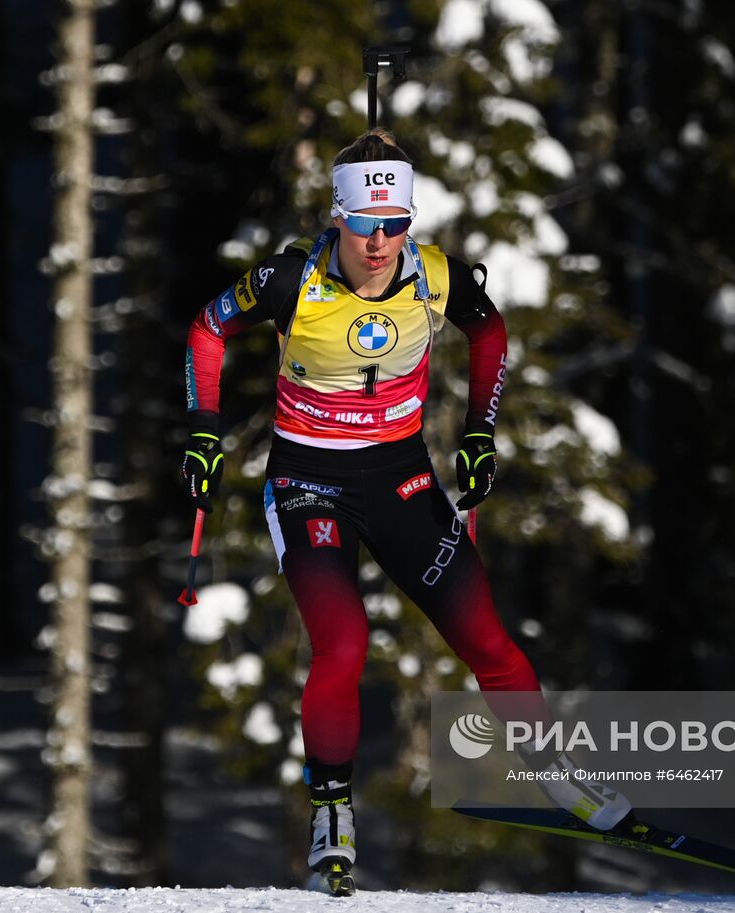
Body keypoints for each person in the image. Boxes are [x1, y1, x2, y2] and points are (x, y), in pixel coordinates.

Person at [182, 129, 632, 895]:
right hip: (307, 479)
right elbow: (208, 326)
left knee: (485, 634)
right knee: (343, 640)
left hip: (399, 476)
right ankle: (332, 812)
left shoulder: (433, 275)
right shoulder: (292, 276)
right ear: (339, 219)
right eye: (366, 224)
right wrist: (203, 428)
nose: (382, 241)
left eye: (397, 223)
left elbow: (489, 329)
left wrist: (482, 431)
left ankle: (556, 775)